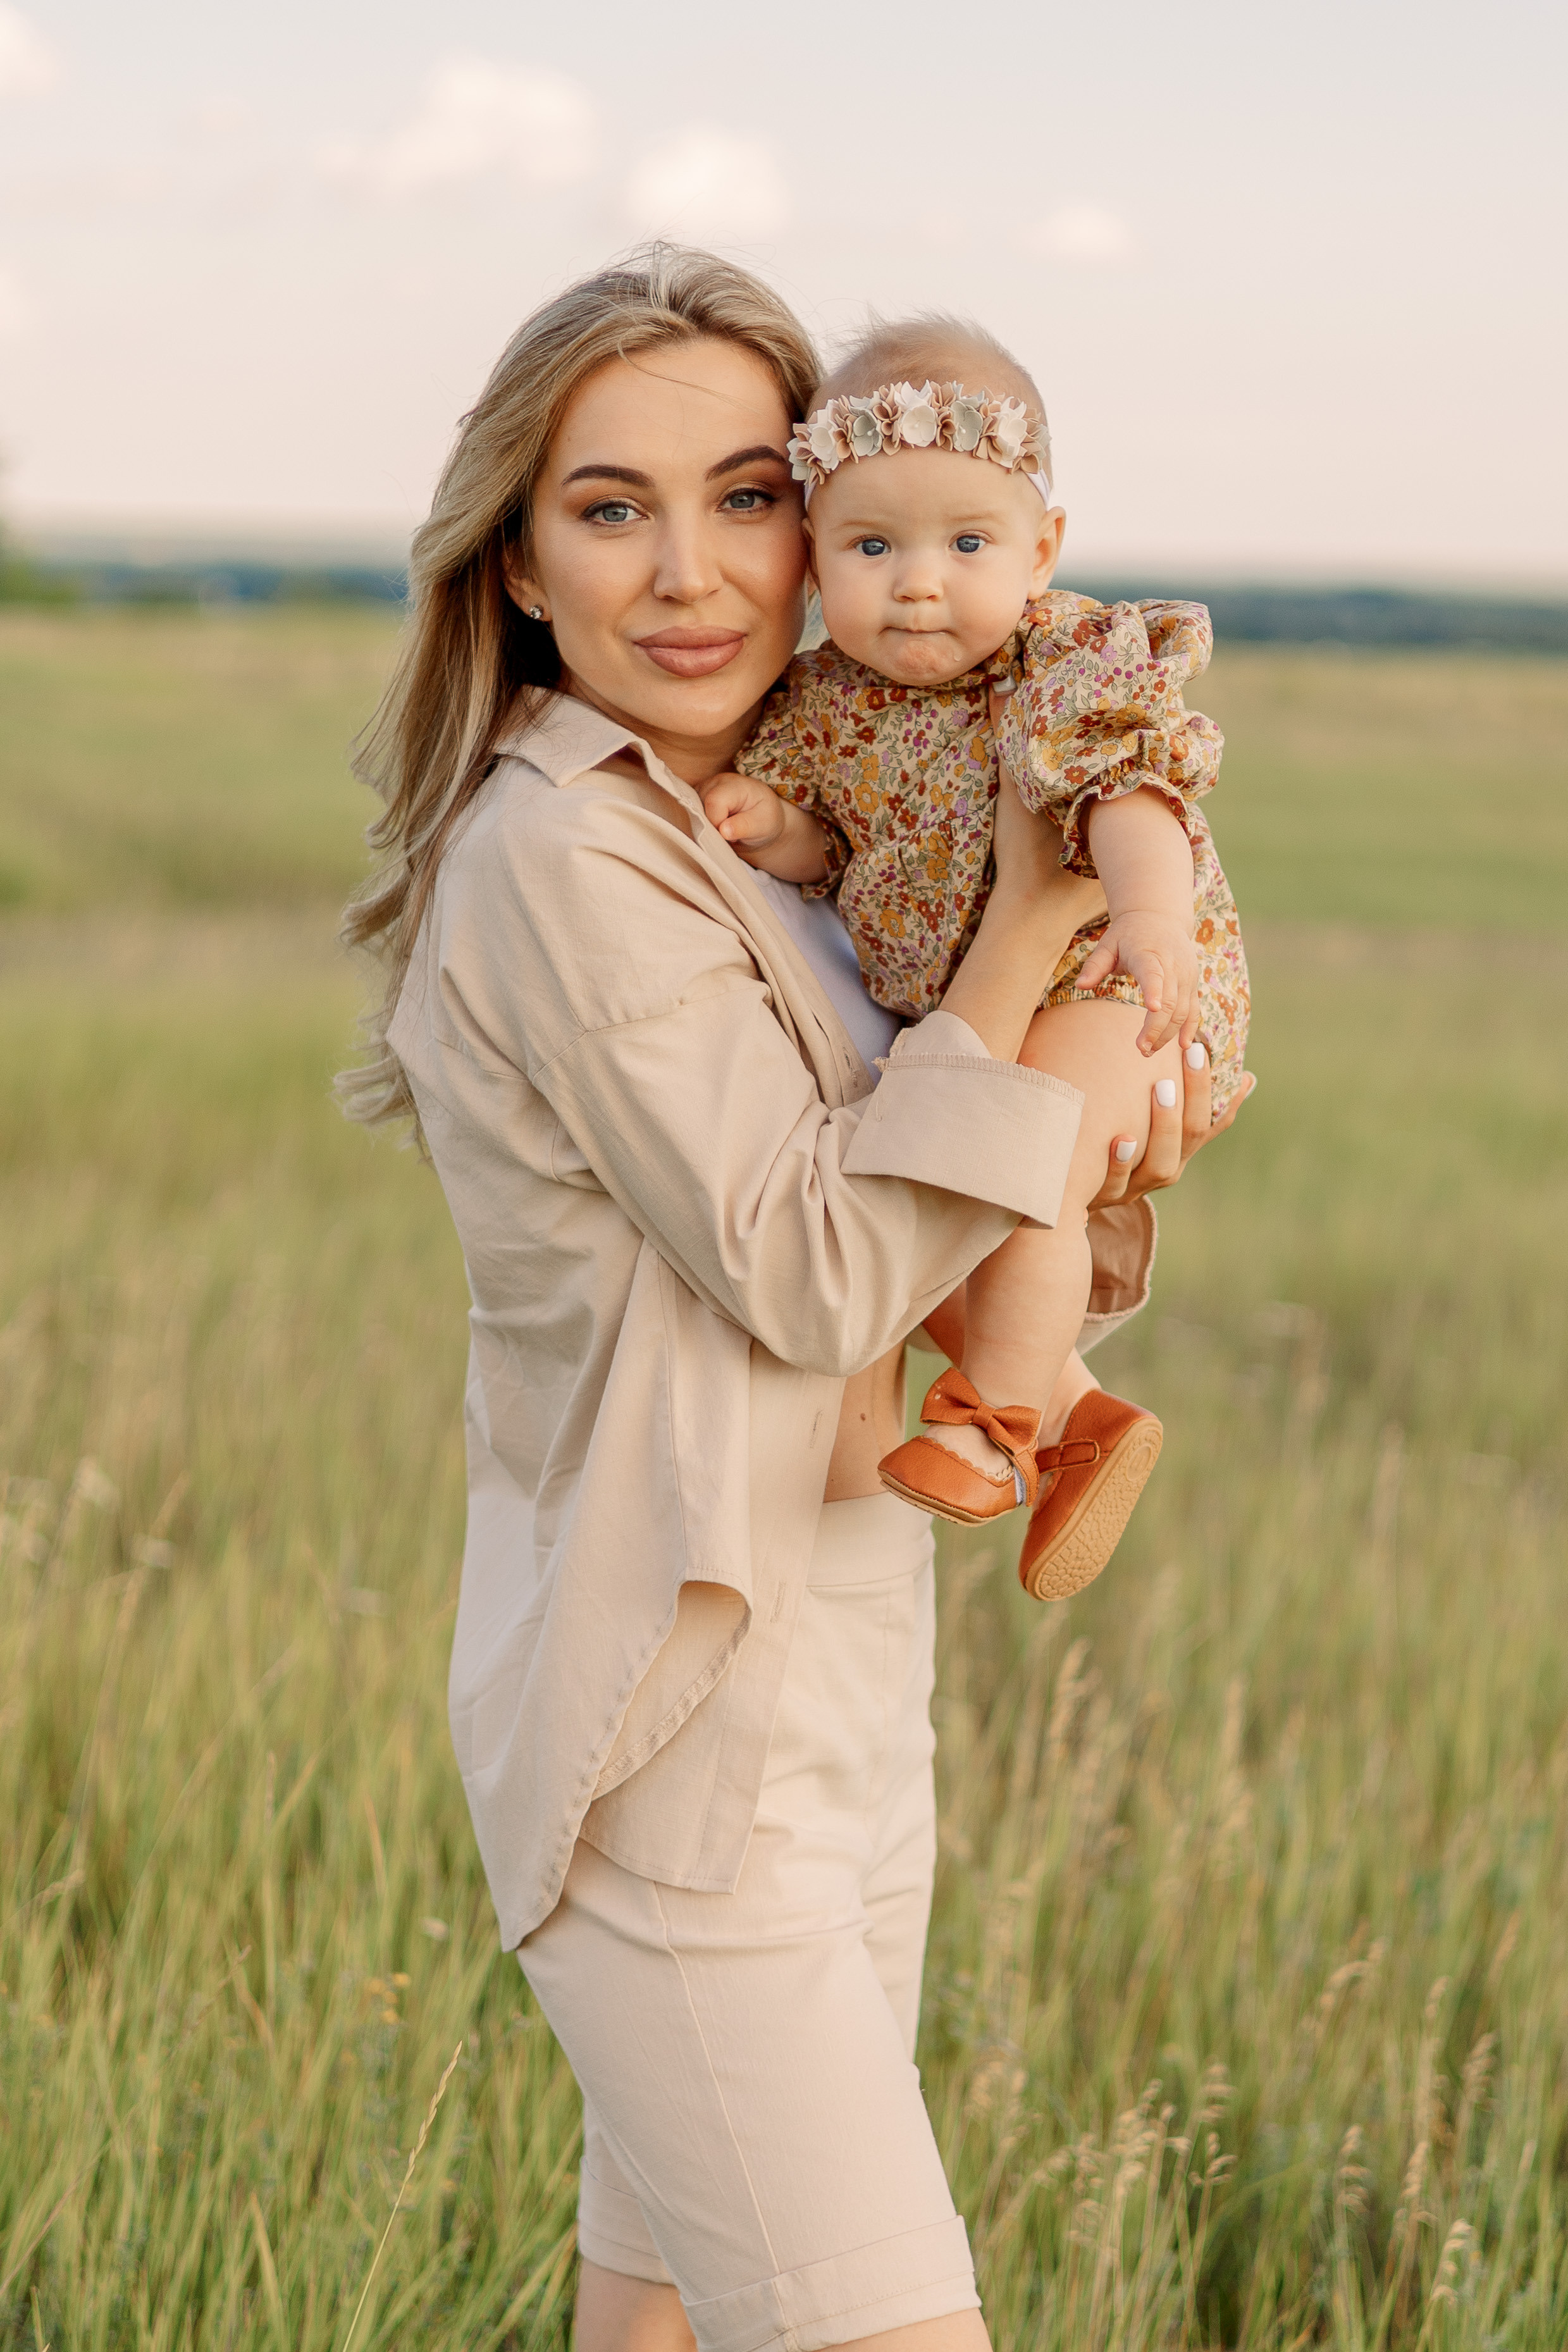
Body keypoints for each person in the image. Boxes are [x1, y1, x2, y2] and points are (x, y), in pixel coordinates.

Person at [340, 246, 1251, 2352]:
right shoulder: (564, 856)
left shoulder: (783, 826)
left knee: (660, 2309)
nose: (693, 572)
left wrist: (1120, 1099)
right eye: (609, 504)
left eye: (746, 494)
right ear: (520, 560)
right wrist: (1033, 935)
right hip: (687, 1725)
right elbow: (822, 1256)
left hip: (844, 1671)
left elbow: (926, 1214)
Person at [701, 319, 1250, 1601]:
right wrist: (777, 828)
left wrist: (1152, 914)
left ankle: (994, 1419)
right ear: (812, 557)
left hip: (1121, 987)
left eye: (967, 544)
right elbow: (831, 841)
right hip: (985, 1011)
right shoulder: (823, 703)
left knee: (1036, 1151)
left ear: (1042, 548)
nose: (918, 586)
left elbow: (1129, 801)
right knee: (954, 1191)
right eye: (871, 547)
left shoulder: (1056, 667)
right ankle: (1079, 1421)